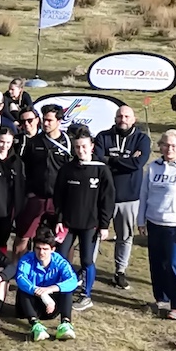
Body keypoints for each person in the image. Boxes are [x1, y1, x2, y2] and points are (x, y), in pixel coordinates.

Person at [54, 127, 114, 312]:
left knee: (87, 260)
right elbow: (59, 196)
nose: (81, 150)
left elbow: (107, 199)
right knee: (60, 257)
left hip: (90, 225)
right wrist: (59, 219)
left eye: (84, 146)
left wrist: (104, 225)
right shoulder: (67, 169)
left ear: (92, 146)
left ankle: (86, 295)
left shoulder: (101, 169)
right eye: (77, 147)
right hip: (68, 223)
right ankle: (63, 288)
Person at [142, 131, 176, 320]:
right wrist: (141, 220)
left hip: (175, 226)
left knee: (174, 264)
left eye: (173, 145)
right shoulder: (153, 167)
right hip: (154, 223)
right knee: (157, 263)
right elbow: (144, 194)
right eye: (165, 144)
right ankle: (161, 299)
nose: (169, 149)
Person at [93, 104, 149, 290]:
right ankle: (88, 268)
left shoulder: (142, 139)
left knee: (124, 236)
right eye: (119, 116)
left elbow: (138, 163)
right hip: (102, 195)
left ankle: (120, 271)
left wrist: (111, 160)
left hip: (129, 197)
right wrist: (126, 160)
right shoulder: (103, 136)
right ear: (115, 118)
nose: (122, 119)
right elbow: (98, 160)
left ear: (134, 119)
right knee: (95, 233)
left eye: (126, 116)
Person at [13, 225, 79, 342]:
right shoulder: (26, 260)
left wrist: (51, 289)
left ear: (52, 249)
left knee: (67, 290)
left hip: (51, 308)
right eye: (38, 248)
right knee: (23, 290)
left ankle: (65, 324)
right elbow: (20, 278)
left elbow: (73, 280)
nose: (41, 252)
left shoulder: (60, 261)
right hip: (29, 306)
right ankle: (35, 325)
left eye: (45, 249)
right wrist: (41, 293)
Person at [16, 106, 69, 253]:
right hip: (36, 198)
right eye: (44, 120)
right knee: (23, 236)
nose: (45, 123)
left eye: (49, 120)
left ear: (59, 121)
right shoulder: (34, 142)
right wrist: (29, 192)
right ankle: (17, 266)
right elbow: (23, 169)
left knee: (62, 240)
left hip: (58, 201)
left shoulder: (68, 143)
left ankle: (63, 268)